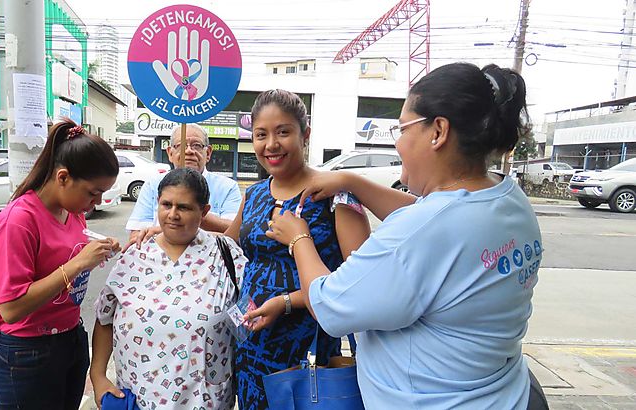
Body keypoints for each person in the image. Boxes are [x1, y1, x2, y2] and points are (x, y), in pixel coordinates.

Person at [263, 63, 548, 409]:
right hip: (508, 392)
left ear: (438, 131)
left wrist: (298, 238)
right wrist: (350, 181)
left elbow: (329, 306)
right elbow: (429, 214)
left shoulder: (421, 233)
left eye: (402, 129)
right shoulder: (508, 198)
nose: (398, 143)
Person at [223, 89, 371, 410]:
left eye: (283, 132)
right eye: (261, 135)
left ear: (305, 134)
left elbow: (361, 283)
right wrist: (169, 231)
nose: (271, 144)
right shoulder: (255, 194)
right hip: (251, 349)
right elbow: (227, 244)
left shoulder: (336, 195)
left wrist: (286, 302)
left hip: (308, 353)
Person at [0, 120, 122, 409]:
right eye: (92, 192)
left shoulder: (72, 211)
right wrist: (77, 264)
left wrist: (97, 249)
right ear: (63, 177)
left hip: (70, 340)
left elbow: (69, 251)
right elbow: (10, 308)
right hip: (27, 353)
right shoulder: (19, 220)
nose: (95, 202)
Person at [91, 167, 248, 410]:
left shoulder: (225, 253)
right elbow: (104, 318)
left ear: (204, 211)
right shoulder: (135, 255)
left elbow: (251, 312)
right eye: (166, 205)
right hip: (139, 399)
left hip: (205, 399)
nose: (173, 214)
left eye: (184, 207)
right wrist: (98, 376)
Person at [126, 124, 242, 236]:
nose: (189, 151)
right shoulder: (152, 185)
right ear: (170, 153)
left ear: (208, 153)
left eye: (196, 145)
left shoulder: (227, 187)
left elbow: (236, 233)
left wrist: (197, 216)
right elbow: (137, 235)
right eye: (181, 145)